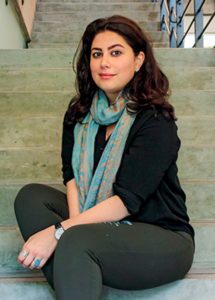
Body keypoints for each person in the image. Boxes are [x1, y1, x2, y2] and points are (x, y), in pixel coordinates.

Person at [14, 15, 195, 300]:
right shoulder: (79, 115)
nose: (104, 63)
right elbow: (71, 177)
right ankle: (80, 276)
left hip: (161, 235)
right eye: (97, 54)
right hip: (98, 228)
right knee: (31, 197)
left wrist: (61, 232)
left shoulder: (155, 120)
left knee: (74, 239)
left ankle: (78, 268)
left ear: (138, 61)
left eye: (116, 52)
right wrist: (71, 225)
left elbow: (127, 201)